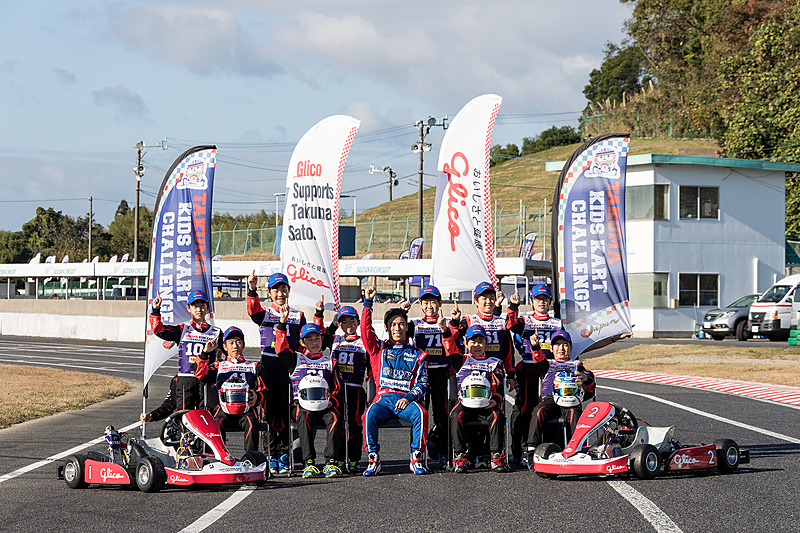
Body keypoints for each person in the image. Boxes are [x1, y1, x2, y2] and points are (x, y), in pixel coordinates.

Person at [449, 281, 521, 467]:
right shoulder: (468, 320)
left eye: (491, 298)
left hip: (493, 372)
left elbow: (508, 351)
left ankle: (495, 455)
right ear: (476, 301)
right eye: (484, 298)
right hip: (469, 376)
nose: (488, 301)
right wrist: (454, 322)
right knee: (460, 415)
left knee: (496, 414)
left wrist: (510, 373)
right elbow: (452, 340)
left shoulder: (501, 322)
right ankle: (465, 455)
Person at [361, 285, 429, 476]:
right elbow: (365, 331)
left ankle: (416, 458)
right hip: (383, 401)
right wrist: (368, 303)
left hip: (405, 400)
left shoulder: (419, 355)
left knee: (421, 414)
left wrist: (408, 398)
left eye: (400, 324)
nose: (397, 328)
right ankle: (373, 459)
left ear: (407, 326)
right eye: (392, 324)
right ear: (386, 327)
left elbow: (423, 383)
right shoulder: (378, 349)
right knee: (368, 415)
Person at [247, 270, 307, 475]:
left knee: (287, 411)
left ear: (289, 290)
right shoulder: (264, 313)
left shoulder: (298, 315)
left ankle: (284, 453)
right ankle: (271, 454)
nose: (280, 293)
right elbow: (252, 311)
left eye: (283, 289)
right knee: (270, 412)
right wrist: (251, 289)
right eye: (276, 290)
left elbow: (305, 341)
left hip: (289, 366)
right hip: (269, 365)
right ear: (269, 292)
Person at [275, 318, 344, 478]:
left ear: (322, 339)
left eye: (317, 338)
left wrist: (332, 401)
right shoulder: (295, 358)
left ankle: (331, 462)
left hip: (325, 405)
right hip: (301, 406)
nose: (314, 343)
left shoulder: (330, 361)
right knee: (304, 416)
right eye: (309, 339)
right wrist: (282, 324)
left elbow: (338, 387)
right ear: (302, 342)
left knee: (334, 417)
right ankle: (308, 463)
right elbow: (280, 348)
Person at [401, 285, 455, 467]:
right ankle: (417, 453)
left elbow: (457, 344)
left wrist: (450, 326)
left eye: (433, 301)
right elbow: (398, 333)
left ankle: (443, 452)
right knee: (418, 414)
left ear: (440, 303)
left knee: (442, 415)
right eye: (425, 302)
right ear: (420, 305)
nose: (429, 306)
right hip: (421, 375)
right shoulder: (415, 324)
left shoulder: (447, 323)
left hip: (440, 373)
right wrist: (403, 312)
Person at [510, 284, 563, 465]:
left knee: (551, 406)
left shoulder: (557, 323)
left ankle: (550, 445)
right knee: (526, 408)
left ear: (550, 301)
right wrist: (513, 306)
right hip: (529, 368)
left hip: (551, 368)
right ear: (532, 301)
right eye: (538, 299)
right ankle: (525, 448)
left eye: (545, 299)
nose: (542, 302)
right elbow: (511, 325)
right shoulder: (525, 320)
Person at [525, 330, 595, 466]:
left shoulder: (577, 365)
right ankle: (532, 450)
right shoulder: (548, 363)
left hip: (572, 399)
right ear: (551, 348)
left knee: (575, 413)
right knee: (538, 412)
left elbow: (591, 384)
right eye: (557, 345)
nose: (561, 348)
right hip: (551, 399)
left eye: (565, 345)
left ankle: (578, 449)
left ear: (571, 348)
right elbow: (538, 358)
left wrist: (586, 378)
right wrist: (535, 346)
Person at [314, 303, 370, 473]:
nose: (349, 325)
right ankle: (338, 457)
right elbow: (320, 334)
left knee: (355, 424)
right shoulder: (335, 339)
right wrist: (320, 314)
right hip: (337, 390)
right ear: (339, 324)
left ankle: (354, 458)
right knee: (338, 424)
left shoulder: (364, 341)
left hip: (355, 389)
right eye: (344, 322)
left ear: (358, 322)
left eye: (352, 321)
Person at [447, 325, 510, 473]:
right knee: (455, 415)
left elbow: (498, 385)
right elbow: (449, 348)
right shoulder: (461, 360)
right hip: (465, 402)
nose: (477, 345)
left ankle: (496, 455)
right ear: (466, 343)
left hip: (486, 403)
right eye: (473, 342)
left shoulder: (494, 362)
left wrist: (496, 400)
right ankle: (460, 455)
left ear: (486, 343)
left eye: (480, 341)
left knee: (497, 415)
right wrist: (445, 331)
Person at [195, 326, 267, 452]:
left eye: (238, 342)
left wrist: (257, 397)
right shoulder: (218, 366)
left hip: (247, 409)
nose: (235, 346)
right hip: (223, 410)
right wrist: (205, 353)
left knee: (252, 422)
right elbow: (200, 374)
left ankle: (251, 458)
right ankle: (218, 457)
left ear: (243, 345)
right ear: (225, 346)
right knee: (215, 424)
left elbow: (264, 389)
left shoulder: (254, 366)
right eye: (231, 342)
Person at [149, 289, 222, 413]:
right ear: (189, 308)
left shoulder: (217, 332)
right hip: (186, 379)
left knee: (207, 415)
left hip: (206, 379)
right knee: (184, 415)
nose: (199, 309)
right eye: (195, 306)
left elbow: (228, 354)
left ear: (207, 307)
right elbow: (159, 330)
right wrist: (156, 310)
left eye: (202, 305)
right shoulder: (182, 329)